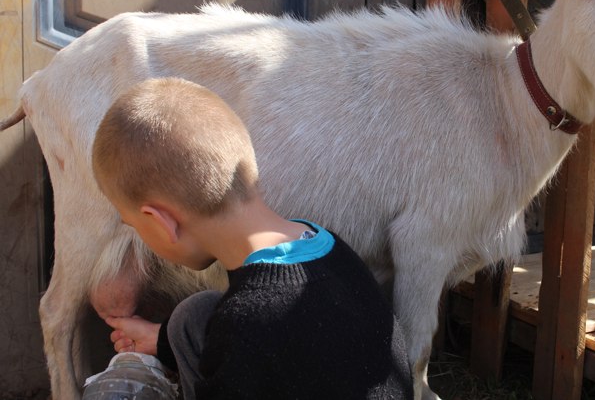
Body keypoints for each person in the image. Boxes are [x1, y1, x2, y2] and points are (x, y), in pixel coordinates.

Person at [91, 77, 413, 400]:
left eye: (132, 225)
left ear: (161, 222)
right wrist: (161, 340)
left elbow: (256, 344)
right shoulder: (330, 248)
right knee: (195, 316)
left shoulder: (247, 327)